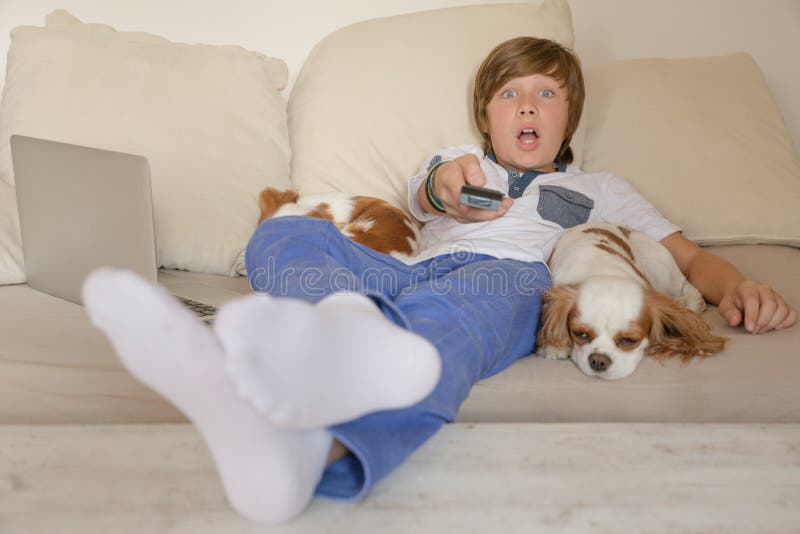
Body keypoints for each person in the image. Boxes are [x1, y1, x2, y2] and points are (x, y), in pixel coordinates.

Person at [82, 36, 797, 524]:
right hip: (401, 271)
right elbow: (427, 193)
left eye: (545, 93)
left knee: (454, 324)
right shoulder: (461, 160)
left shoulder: (599, 187)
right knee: (284, 230)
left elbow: (689, 254)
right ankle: (339, 322)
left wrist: (735, 284)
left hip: (505, 280)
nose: (526, 106)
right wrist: (446, 186)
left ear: (569, 114)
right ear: (484, 115)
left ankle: (303, 450)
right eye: (509, 94)